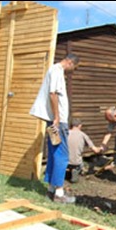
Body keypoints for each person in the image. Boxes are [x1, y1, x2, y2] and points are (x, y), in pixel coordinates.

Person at [30, 53, 80, 204]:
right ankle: (59, 193)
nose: (72, 71)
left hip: (54, 121)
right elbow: (53, 94)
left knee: (54, 153)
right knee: (62, 155)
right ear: (70, 63)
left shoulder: (53, 70)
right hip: (59, 122)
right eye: (74, 68)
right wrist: (57, 118)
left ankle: (51, 190)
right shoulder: (57, 71)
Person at [67, 118, 102, 183]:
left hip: (64, 161)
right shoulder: (83, 135)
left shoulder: (66, 133)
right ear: (80, 125)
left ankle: (66, 171)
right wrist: (101, 148)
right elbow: (95, 150)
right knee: (80, 164)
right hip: (76, 162)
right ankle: (75, 170)